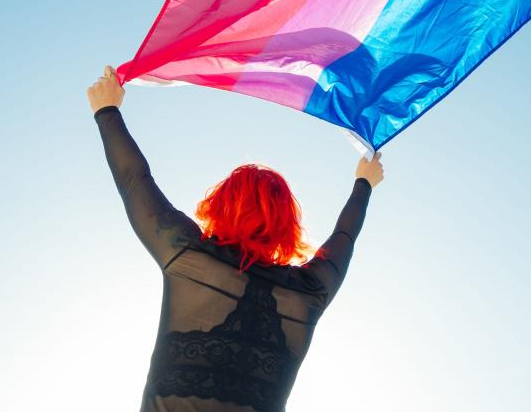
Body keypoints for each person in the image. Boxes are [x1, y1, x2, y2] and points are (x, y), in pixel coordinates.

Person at [87, 65, 383, 412]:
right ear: (287, 224)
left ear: (221, 206)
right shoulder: (309, 291)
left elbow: (135, 179)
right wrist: (364, 183)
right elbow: (344, 237)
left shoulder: (188, 254)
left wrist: (107, 110)